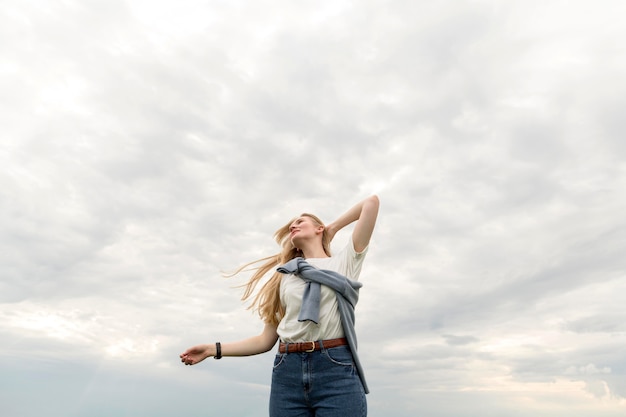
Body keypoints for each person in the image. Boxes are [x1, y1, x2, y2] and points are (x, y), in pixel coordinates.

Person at [180, 195, 380, 417]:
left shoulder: (344, 263)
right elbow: (265, 340)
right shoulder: (284, 278)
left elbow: (370, 203)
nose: (293, 225)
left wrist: (331, 229)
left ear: (318, 228)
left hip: (335, 371)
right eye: (291, 224)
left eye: (300, 221)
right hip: (287, 373)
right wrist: (212, 349)